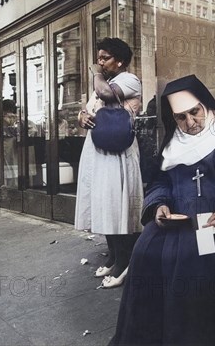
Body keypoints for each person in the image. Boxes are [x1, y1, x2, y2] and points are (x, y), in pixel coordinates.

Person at [109, 74, 215, 345]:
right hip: (178, 219)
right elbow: (160, 181)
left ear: (205, 105)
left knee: (195, 262)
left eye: (195, 112)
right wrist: (160, 205)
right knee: (146, 251)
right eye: (181, 117)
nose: (190, 123)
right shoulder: (173, 143)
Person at [75, 38, 144, 288]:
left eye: (105, 58)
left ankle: (125, 263)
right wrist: (82, 117)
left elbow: (106, 95)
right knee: (104, 205)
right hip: (98, 150)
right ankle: (114, 256)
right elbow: (89, 110)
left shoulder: (129, 80)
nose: (100, 62)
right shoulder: (102, 84)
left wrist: (95, 72)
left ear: (120, 61)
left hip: (118, 152)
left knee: (117, 206)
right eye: (99, 58)